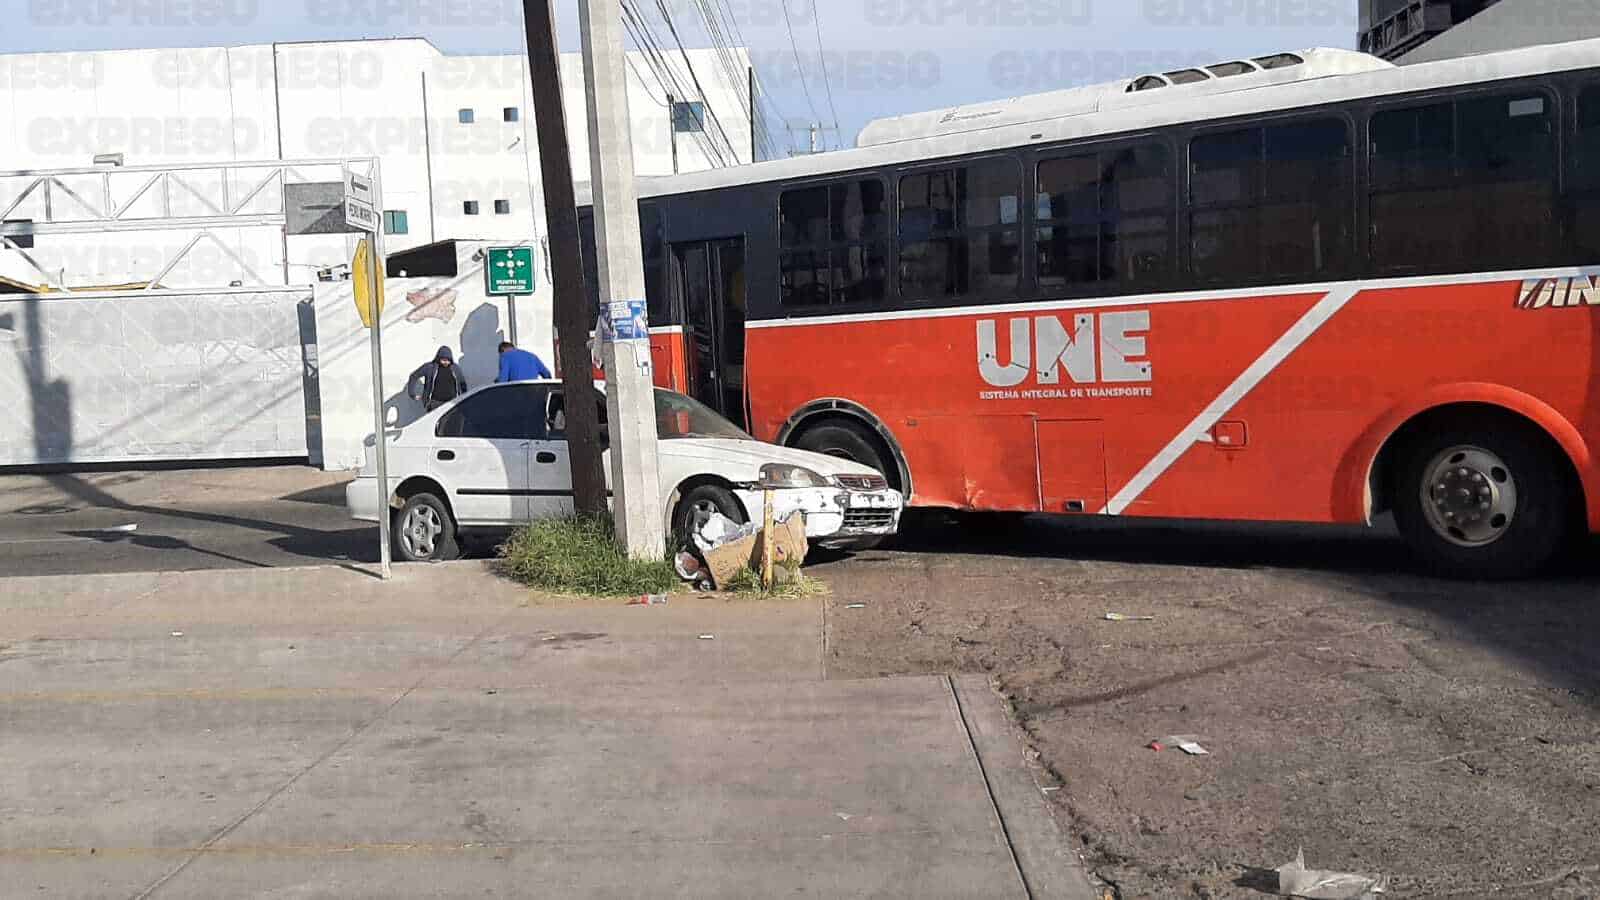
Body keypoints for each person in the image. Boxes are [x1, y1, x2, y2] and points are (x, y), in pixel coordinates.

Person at [408, 346, 467, 412]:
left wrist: (464, 399)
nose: (446, 362)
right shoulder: (430, 367)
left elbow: (462, 383)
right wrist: (412, 394)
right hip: (434, 404)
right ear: (438, 358)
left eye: (448, 360)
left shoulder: (455, 368)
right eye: (443, 360)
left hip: (452, 403)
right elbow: (414, 376)